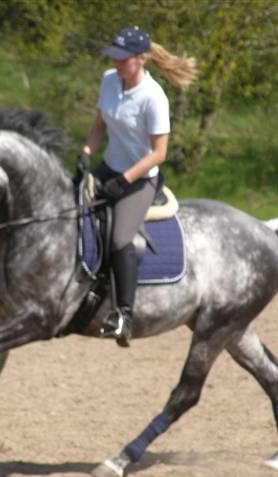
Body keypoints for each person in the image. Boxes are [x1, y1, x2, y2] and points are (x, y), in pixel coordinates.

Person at [77, 26, 198, 347]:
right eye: (114, 58)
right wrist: (86, 155)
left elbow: (159, 153)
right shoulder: (108, 81)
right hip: (108, 168)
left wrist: (124, 181)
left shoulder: (153, 98)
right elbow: (99, 126)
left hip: (140, 179)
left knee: (119, 239)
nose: (116, 63)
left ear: (141, 59)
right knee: (68, 209)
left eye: (122, 58)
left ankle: (124, 315)